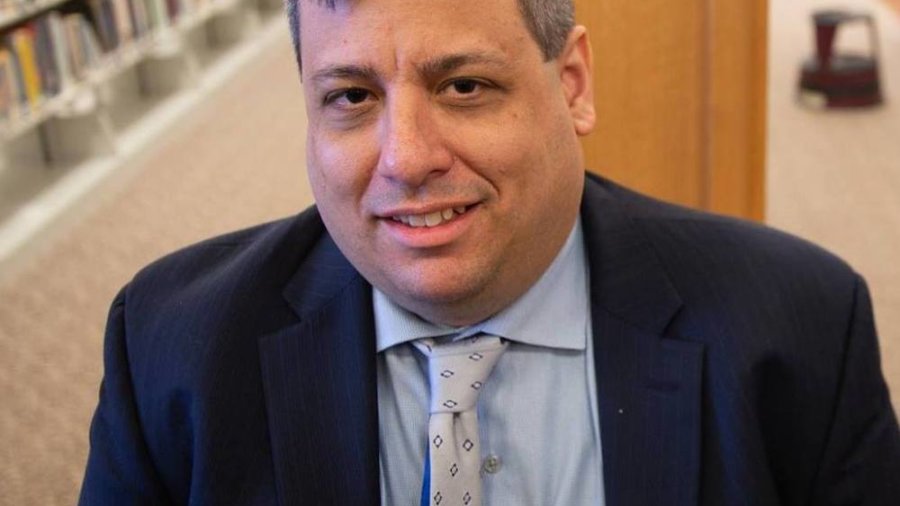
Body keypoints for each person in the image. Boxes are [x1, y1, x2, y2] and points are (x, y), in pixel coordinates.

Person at [79, 0, 900, 504]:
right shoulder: (170, 344)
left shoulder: (800, 329)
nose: (406, 157)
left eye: (463, 86)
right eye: (352, 97)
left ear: (572, 84)